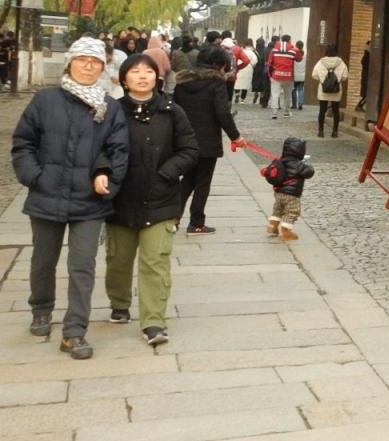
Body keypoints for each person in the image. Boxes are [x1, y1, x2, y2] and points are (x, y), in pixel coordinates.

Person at [10, 37, 129, 359]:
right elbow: (24, 143)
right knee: (43, 260)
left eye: (95, 62)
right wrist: (35, 176)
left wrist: (108, 178)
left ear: (103, 67)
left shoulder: (110, 107)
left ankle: (75, 331)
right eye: (82, 60)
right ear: (70, 63)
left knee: (82, 265)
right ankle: (41, 308)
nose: (88, 66)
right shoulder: (45, 100)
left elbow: (118, 151)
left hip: (90, 200)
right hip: (47, 193)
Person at [104, 53, 198, 345]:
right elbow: (99, 149)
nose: (142, 76)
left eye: (148, 71)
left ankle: (154, 321)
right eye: (135, 71)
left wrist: (168, 172)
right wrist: (103, 173)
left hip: (161, 199)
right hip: (121, 199)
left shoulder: (172, 111)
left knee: (155, 262)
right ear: (124, 79)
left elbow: (190, 149)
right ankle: (119, 303)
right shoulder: (111, 112)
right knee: (118, 260)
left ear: (157, 77)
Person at [173, 45, 245, 234]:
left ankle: (172, 218)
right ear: (218, 64)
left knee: (187, 180)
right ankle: (196, 222)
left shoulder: (182, 82)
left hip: (185, 141)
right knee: (202, 182)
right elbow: (222, 113)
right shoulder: (216, 83)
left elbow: (175, 112)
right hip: (207, 141)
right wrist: (235, 136)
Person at [261, 136, 314, 241]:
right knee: (292, 211)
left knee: (278, 209)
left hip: (278, 192)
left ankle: (272, 225)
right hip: (291, 194)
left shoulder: (279, 161)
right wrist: (309, 167)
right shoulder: (297, 165)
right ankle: (286, 231)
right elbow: (309, 172)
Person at [311, 44, 348, 138]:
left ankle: (321, 131)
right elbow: (345, 77)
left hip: (323, 89)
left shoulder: (321, 62)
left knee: (322, 110)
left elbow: (314, 75)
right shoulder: (341, 63)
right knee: (336, 110)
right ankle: (335, 132)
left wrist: (322, 80)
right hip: (336, 89)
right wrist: (337, 80)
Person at [266, 35, 297, 118]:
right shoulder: (293, 51)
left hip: (276, 75)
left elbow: (269, 63)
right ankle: (286, 112)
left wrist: (270, 75)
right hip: (288, 76)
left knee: (275, 94)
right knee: (287, 95)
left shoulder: (274, 50)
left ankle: (274, 113)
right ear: (289, 41)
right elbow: (299, 58)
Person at [234, 37, 257, 103]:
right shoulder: (252, 52)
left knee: (237, 82)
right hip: (248, 68)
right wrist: (252, 66)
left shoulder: (240, 50)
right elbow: (255, 61)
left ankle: (237, 94)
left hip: (239, 66)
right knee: (245, 84)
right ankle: (242, 99)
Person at [355, 40, 371, 111]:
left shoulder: (367, 55)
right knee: (367, 94)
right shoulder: (367, 56)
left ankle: (360, 106)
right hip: (367, 78)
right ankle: (359, 105)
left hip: (366, 78)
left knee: (367, 94)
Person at [292, 41, 307, 110]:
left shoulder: (294, 55)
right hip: (302, 75)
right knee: (301, 89)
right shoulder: (305, 56)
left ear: (296, 45)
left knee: (294, 90)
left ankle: (294, 104)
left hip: (295, 75)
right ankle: (300, 104)